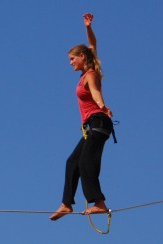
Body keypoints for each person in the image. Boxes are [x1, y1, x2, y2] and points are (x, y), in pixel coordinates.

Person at [50, 13, 115, 221]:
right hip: (91, 127)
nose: (70, 63)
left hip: (99, 121)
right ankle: (66, 204)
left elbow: (96, 93)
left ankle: (99, 203)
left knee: (86, 163)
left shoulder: (90, 75)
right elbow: (92, 44)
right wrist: (88, 27)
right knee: (72, 162)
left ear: (82, 57)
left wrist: (103, 106)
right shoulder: (87, 68)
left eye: (72, 59)